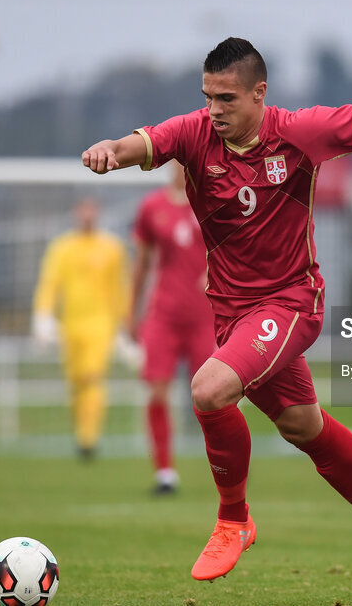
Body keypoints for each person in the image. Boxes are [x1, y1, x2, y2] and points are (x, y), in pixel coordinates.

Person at [81, 37, 352, 595]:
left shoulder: (301, 131)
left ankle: (234, 521)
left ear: (258, 94)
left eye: (226, 98)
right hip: (232, 312)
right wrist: (108, 150)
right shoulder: (194, 133)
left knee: (209, 390)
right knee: (303, 427)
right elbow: (138, 143)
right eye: (207, 96)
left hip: (291, 303)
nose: (214, 109)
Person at [129, 160, 217, 495]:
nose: (181, 170)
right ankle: (165, 472)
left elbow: (233, 249)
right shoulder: (152, 207)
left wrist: (215, 270)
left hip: (204, 316)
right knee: (156, 391)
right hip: (162, 315)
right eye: (176, 163)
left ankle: (225, 471)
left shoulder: (212, 203)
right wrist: (131, 313)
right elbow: (141, 263)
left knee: (214, 398)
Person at [33, 197, 130, 460]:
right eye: (82, 210)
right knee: (76, 382)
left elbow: (120, 288)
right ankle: (81, 433)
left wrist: (124, 325)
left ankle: (89, 438)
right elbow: (50, 283)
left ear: (98, 213)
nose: (87, 215)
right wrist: (42, 316)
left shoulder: (112, 248)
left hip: (101, 325)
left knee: (93, 376)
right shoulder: (62, 248)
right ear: (76, 213)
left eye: (92, 210)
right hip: (70, 325)